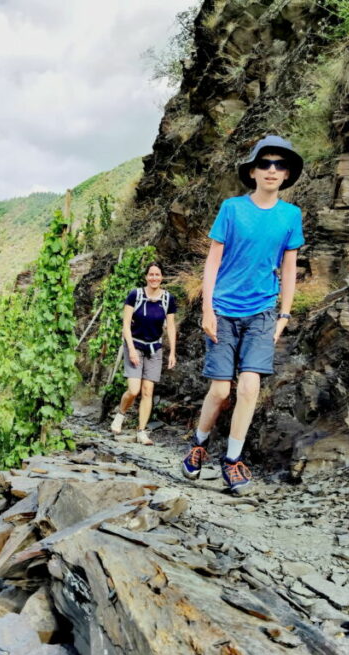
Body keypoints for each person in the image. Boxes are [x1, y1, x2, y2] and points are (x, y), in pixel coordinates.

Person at [180, 134, 304, 492]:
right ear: (252, 171)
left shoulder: (290, 215)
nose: (272, 169)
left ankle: (232, 461)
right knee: (220, 391)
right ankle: (198, 447)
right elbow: (213, 261)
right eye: (265, 163)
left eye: (280, 165)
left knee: (249, 387)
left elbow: (290, 268)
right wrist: (206, 308)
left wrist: (284, 315)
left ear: (286, 175)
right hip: (222, 309)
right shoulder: (231, 208)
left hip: (263, 310)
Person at [110, 262, 177, 445]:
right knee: (134, 390)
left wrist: (172, 352)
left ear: (162, 277)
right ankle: (121, 414)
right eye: (151, 274)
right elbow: (126, 325)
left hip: (155, 348)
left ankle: (141, 431)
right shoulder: (135, 295)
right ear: (146, 277)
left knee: (148, 391)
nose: (154, 278)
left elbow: (170, 327)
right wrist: (131, 349)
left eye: (157, 274)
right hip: (135, 346)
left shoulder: (168, 299)